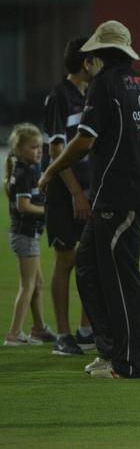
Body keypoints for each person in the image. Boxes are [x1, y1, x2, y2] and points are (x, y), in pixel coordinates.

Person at [39, 20, 140, 378]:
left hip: (117, 195)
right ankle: (110, 351)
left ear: (101, 53)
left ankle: (130, 363)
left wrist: (49, 170)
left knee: (122, 277)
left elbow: (84, 140)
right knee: (87, 267)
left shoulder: (104, 84)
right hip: (133, 190)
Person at [43, 37, 103, 355]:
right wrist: (77, 193)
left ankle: (85, 328)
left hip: (91, 190)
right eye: (97, 59)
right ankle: (63, 335)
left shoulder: (91, 95)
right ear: (86, 63)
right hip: (65, 192)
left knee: (88, 259)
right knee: (65, 259)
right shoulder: (59, 97)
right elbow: (56, 150)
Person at [3, 124, 51, 346]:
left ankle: (39, 328)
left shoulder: (23, 170)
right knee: (28, 285)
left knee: (37, 283)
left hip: (25, 234)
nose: (39, 151)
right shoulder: (24, 173)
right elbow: (23, 206)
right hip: (25, 235)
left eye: (40, 146)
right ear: (19, 149)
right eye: (34, 147)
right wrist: (47, 212)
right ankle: (13, 335)